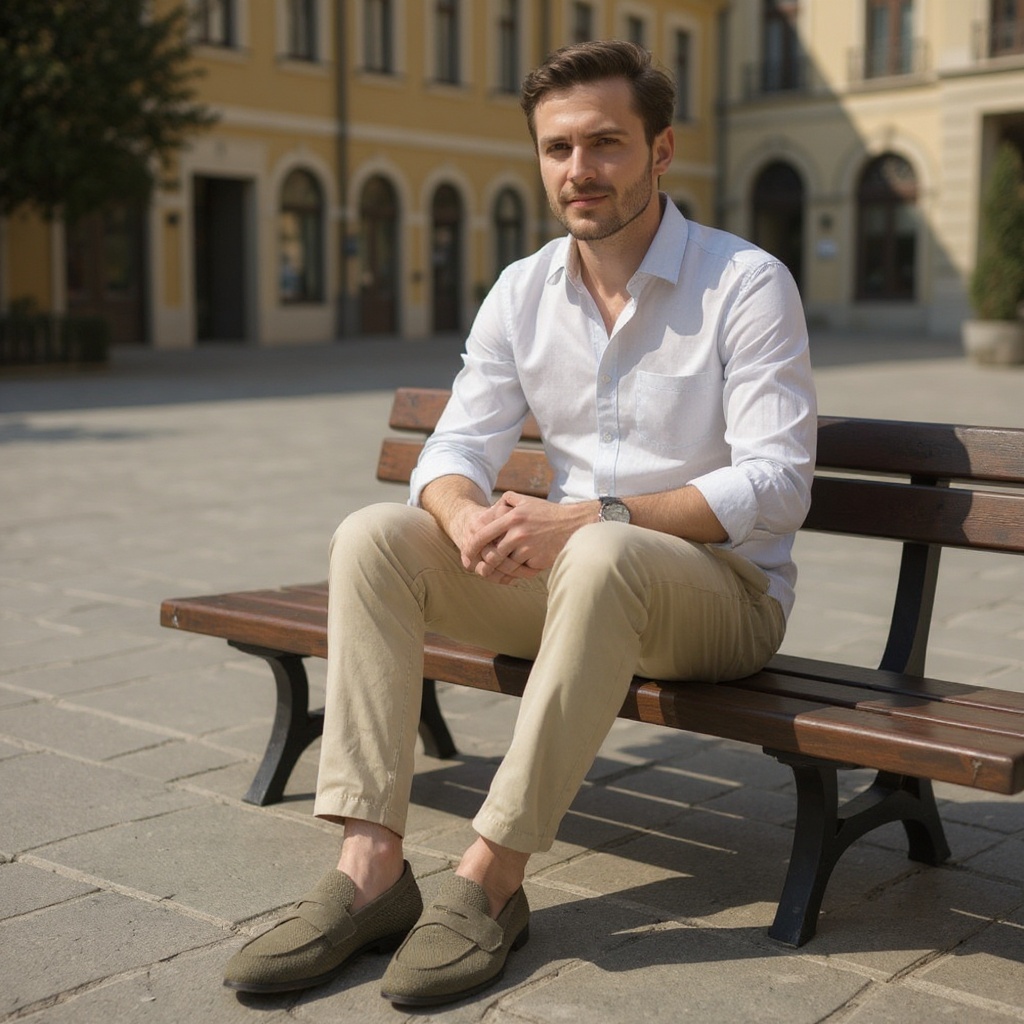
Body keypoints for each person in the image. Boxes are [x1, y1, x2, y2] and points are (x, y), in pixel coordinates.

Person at [223, 39, 816, 1008]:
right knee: (374, 538)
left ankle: (491, 879)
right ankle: (370, 871)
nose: (579, 169)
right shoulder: (523, 289)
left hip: (724, 598)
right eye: (557, 148)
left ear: (662, 150)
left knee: (605, 549)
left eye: (606, 143)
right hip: (579, 587)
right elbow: (453, 448)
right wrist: (463, 516)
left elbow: (779, 485)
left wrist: (586, 516)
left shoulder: (745, 285)